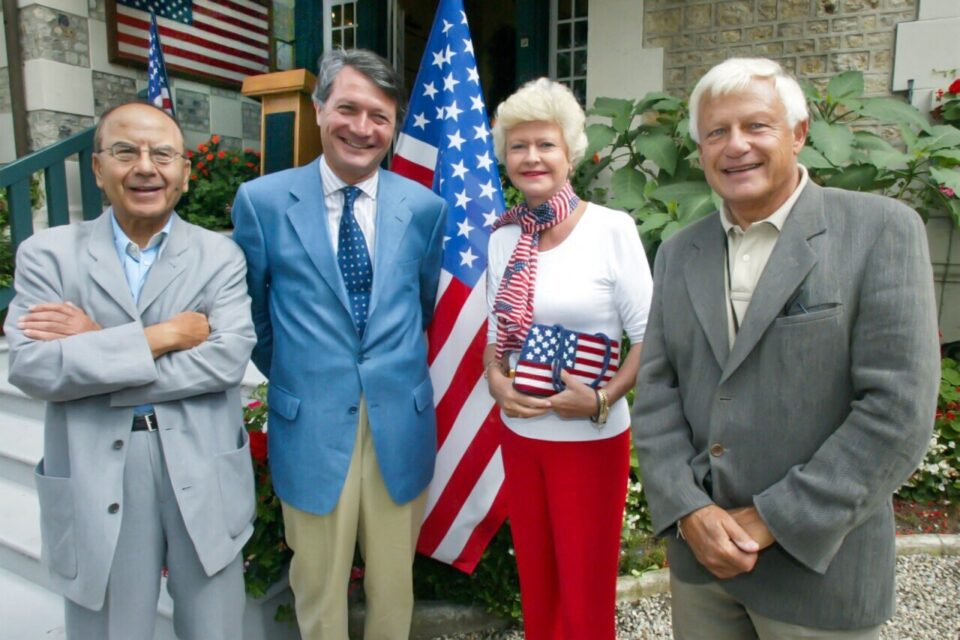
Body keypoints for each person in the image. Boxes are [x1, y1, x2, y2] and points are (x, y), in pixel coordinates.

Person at [632, 57, 941, 639]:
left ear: (799, 134)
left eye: (756, 126)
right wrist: (688, 510)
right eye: (716, 132)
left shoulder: (881, 230)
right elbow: (657, 392)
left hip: (819, 570)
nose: (735, 146)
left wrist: (772, 519)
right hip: (702, 565)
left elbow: (897, 411)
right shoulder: (679, 252)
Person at [4, 102, 257, 639]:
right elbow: (31, 366)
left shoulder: (220, 257)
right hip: (98, 468)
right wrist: (161, 337)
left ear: (185, 173)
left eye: (162, 154)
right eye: (125, 152)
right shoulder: (47, 255)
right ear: (98, 169)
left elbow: (227, 359)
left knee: (215, 628)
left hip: (204, 464)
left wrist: (96, 350)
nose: (146, 167)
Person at [231, 48, 446, 640]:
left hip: (399, 423)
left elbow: (420, 305)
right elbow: (253, 312)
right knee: (318, 584)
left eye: (379, 115)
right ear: (320, 109)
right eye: (348, 108)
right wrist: (304, 374)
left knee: (392, 584)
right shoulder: (263, 202)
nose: (362, 127)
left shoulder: (425, 209)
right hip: (310, 421)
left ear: (394, 125)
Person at [484, 78, 653, 639]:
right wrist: (494, 378)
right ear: (505, 156)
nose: (531, 157)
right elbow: (497, 333)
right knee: (538, 585)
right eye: (518, 145)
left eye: (545, 144)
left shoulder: (612, 229)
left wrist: (602, 398)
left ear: (570, 152)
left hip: (591, 443)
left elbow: (651, 338)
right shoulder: (504, 238)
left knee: (585, 595)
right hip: (522, 435)